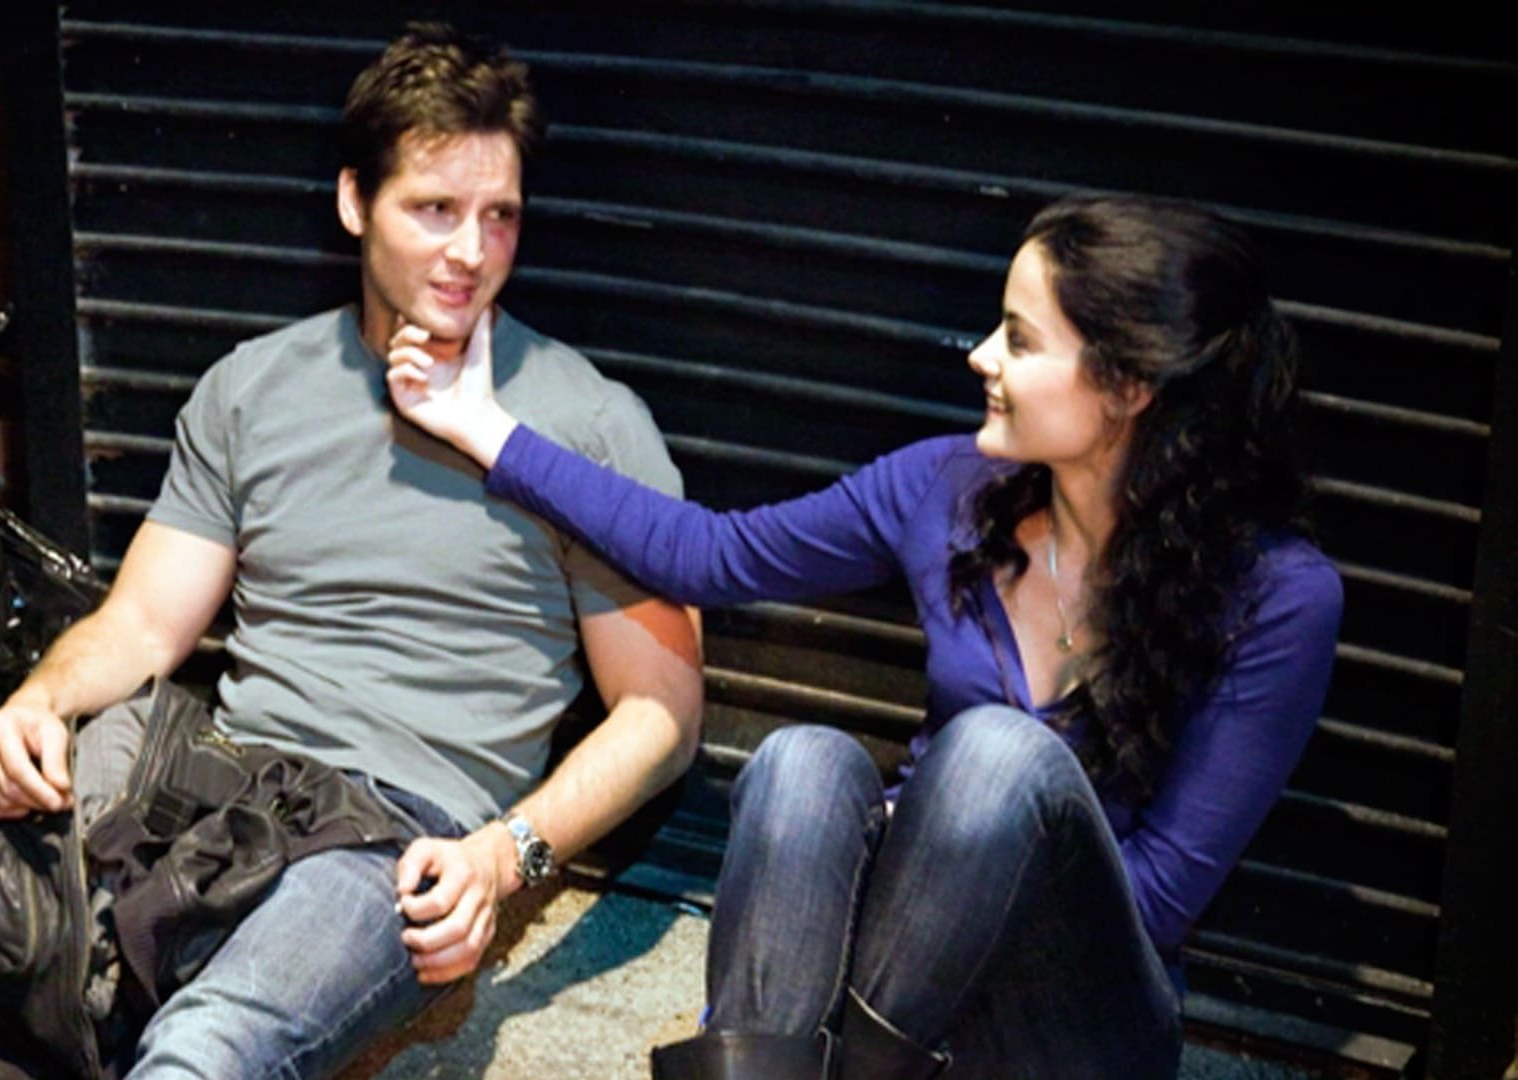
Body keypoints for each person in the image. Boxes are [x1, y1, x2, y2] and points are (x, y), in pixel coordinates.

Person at [0, 23, 703, 1079]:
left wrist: (503, 859)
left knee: (201, 1051)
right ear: (353, 202)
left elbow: (663, 711)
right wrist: (36, 706)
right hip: (211, 777)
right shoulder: (254, 388)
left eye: (500, 216)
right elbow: (139, 623)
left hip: (394, 839)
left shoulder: (586, 425)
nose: (471, 251)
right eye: (435, 209)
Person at [385, 195, 1343, 1078]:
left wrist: (955, 863)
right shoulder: (949, 489)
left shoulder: (1280, 598)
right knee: (801, 761)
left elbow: (1160, 900)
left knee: (1000, 757)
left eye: (1019, 339)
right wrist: (482, 425)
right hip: (900, 999)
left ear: (1126, 386)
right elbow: (708, 555)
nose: (981, 356)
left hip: (1076, 1027)